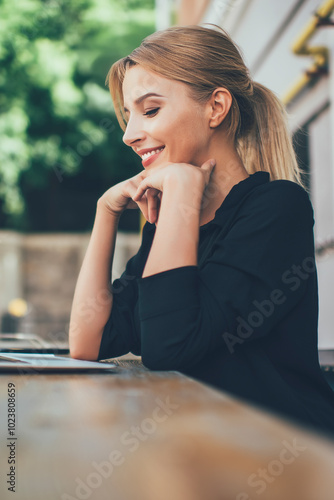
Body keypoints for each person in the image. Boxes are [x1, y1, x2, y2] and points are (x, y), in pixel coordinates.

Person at [69, 24, 334, 438]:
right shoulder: (171, 222)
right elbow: (89, 342)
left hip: (288, 458)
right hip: (203, 450)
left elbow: (169, 348)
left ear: (215, 108)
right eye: (128, 115)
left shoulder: (278, 207)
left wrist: (180, 195)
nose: (128, 134)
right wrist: (105, 212)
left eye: (150, 110)